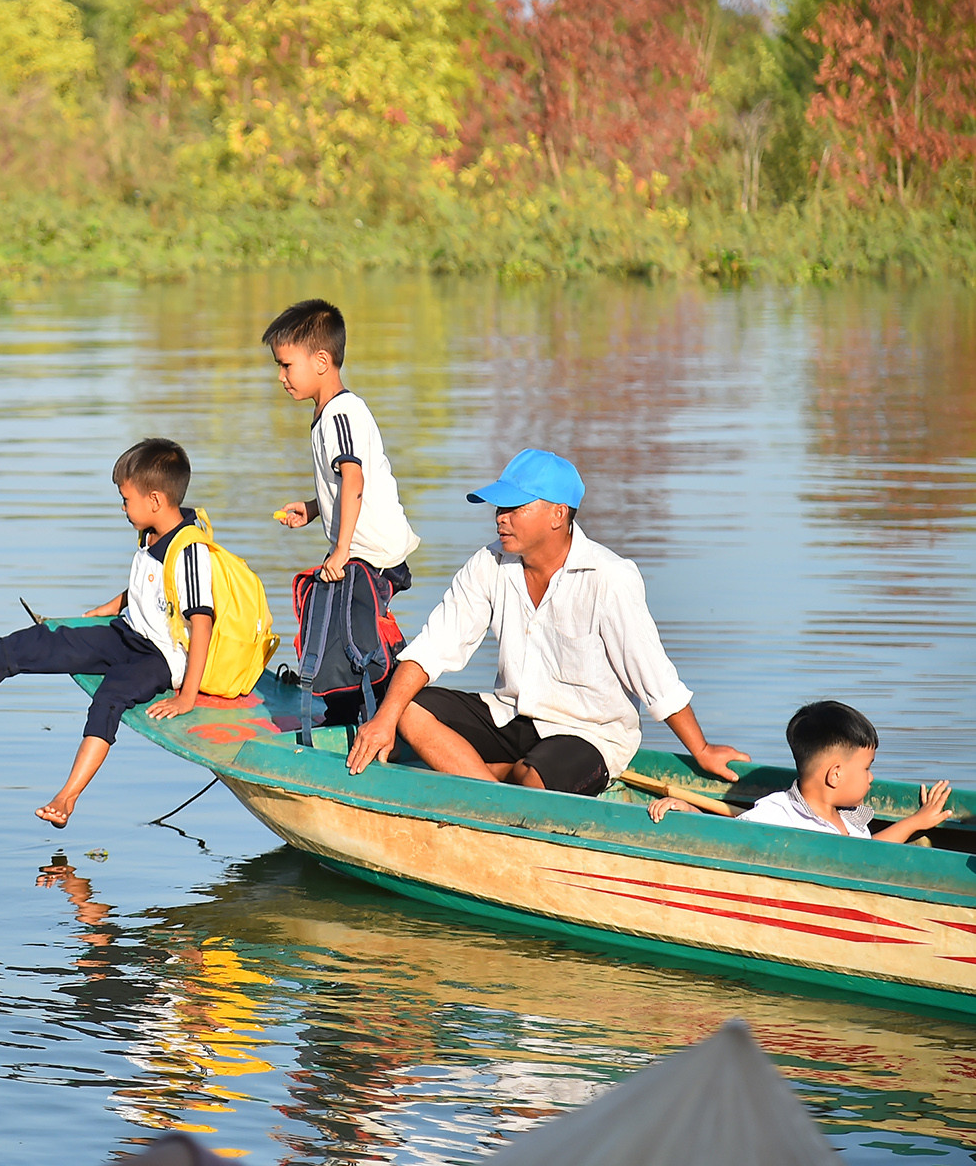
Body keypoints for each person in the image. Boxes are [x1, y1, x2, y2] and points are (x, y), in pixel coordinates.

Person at [346, 449, 750, 794]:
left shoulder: (610, 577)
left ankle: (496, 781)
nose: (500, 518)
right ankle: (493, 798)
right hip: (511, 714)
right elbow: (434, 647)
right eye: (500, 508)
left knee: (536, 782)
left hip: (587, 733)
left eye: (515, 508)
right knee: (407, 707)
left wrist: (701, 750)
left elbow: (654, 678)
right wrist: (384, 721)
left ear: (558, 514)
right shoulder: (489, 563)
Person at [0, 438, 218, 828]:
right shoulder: (153, 532)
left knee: (110, 698)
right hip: (127, 632)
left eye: (126, 499)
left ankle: (67, 796)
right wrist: (113, 605)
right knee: (46, 641)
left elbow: (201, 621)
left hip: (160, 657)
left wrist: (188, 695)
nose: (122, 507)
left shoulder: (192, 551)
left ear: (154, 500)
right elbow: (158, 585)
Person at [265, 298, 420, 723]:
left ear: (320, 360)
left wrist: (341, 551)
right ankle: (367, 709)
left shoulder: (339, 413)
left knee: (350, 639)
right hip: (361, 549)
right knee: (350, 634)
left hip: (369, 553)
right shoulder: (330, 413)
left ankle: (381, 713)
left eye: (285, 365)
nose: (281, 377)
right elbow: (344, 483)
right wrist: (316, 509)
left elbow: (354, 478)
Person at [648, 700, 954, 842]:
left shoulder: (849, 819)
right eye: (866, 768)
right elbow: (730, 837)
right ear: (834, 774)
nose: (871, 777)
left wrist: (917, 821)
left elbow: (870, 852)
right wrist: (688, 810)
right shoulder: (778, 813)